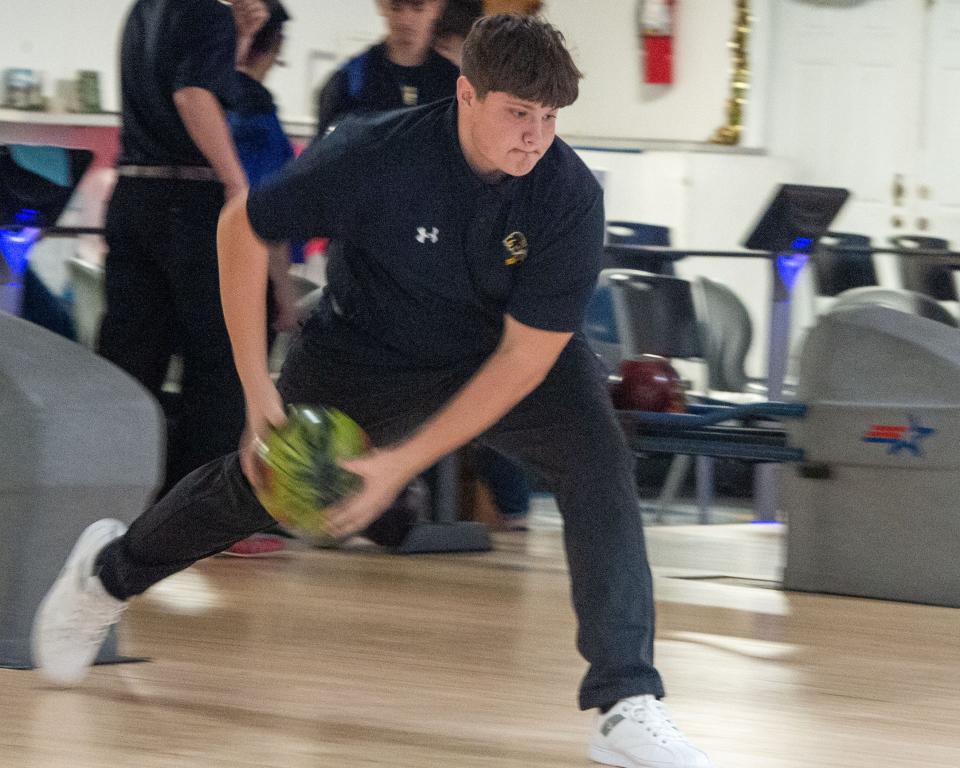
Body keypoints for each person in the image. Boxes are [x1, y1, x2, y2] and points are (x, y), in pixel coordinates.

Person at [32, 15, 713, 768]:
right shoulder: (375, 152)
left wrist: (401, 464)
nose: (535, 136)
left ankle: (626, 703)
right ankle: (105, 576)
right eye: (519, 113)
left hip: (510, 358)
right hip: (367, 351)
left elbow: (525, 359)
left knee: (599, 468)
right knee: (257, 490)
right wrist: (258, 391)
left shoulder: (567, 195)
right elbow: (242, 229)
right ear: (466, 94)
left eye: (550, 118)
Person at [96, 0, 268, 494]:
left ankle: (117, 496)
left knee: (130, 358)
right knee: (218, 358)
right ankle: (201, 509)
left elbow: (192, 85)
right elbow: (194, 97)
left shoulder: (142, 11)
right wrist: (238, 186)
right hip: (189, 200)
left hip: (133, 194)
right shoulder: (206, 12)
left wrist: (235, 40)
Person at [314, 0, 457, 137]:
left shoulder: (455, 84)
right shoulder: (350, 81)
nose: (406, 20)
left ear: (437, 7)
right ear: (381, 4)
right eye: (396, 7)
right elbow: (325, 154)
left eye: (418, 6)